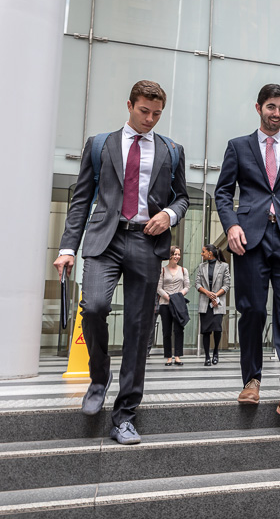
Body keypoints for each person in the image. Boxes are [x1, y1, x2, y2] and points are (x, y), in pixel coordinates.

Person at [53, 80, 189, 445]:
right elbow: (82, 199)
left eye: (157, 114)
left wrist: (169, 216)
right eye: (144, 111)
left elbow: (183, 199)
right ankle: (99, 377)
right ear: (129, 105)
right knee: (94, 307)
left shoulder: (171, 150)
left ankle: (125, 414)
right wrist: (68, 247)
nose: (150, 119)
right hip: (104, 239)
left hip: (146, 241)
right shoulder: (100, 145)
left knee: (138, 329)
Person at [214, 83, 280, 424]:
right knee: (253, 311)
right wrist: (231, 225)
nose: (277, 113)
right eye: (271, 107)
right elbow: (222, 193)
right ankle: (252, 380)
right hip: (249, 238)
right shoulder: (238, 147)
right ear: (258, 107)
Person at [196, 244, 231, 366]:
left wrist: (215, 295)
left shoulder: (224, 266)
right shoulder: (201, 266)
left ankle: (216, 352)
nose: (202, 254)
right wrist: (207, 293)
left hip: (218, 303)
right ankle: (206, 356)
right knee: (205, 331)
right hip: (205, 303)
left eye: (203, 251)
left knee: (217, 329)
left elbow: (227, 285)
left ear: (210, 253)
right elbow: (197, 284)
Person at [157, 246, 190, 366]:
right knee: (166, 331)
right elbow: (159, 288)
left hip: (178, 304)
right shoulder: (163, 270)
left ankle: (177, 356)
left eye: (178, 254)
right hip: (165, 304)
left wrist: (178, 296)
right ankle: (168, 357)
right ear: (169, 255)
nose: (177, 257)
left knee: (178, 330)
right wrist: (169, 297)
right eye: (175, 254)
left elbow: (187, 286)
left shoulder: (183, 270)